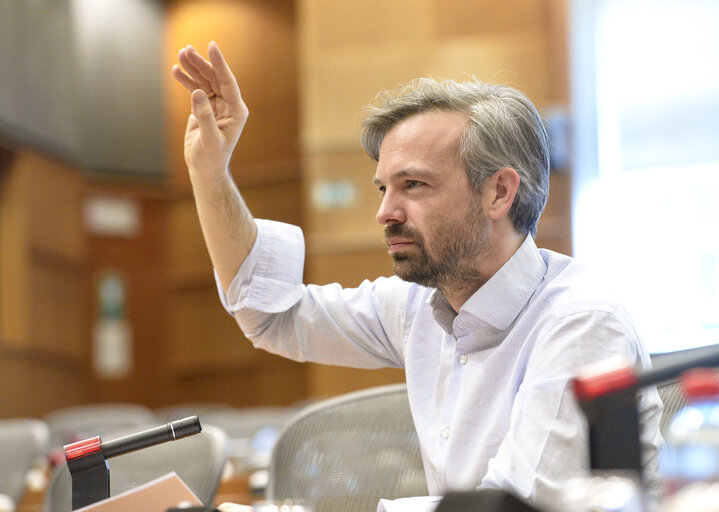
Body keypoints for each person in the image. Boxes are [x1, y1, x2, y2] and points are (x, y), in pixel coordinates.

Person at [173, 41, 663, 512]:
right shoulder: (417, 306)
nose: (385, 212)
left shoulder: (582, 324)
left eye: (413, 185)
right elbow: (272, 316)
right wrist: (209, 171)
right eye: (384, 188)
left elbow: (513, 507)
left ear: (498, 192)